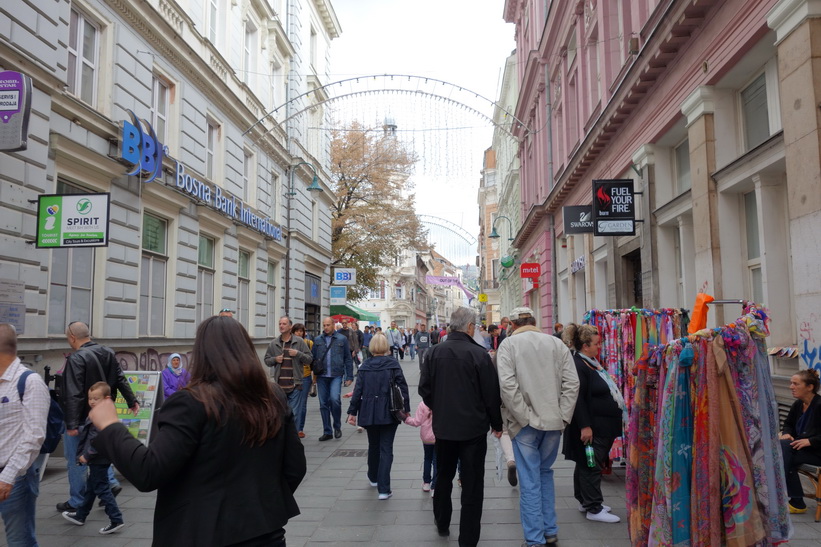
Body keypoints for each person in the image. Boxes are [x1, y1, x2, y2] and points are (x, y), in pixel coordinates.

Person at [88, 316, 307, 546]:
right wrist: (261, 503)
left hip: (201, 534)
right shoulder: (272, 396)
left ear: (201, 354)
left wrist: (111, 426)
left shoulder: (191, 402)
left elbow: (148, 471)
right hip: (265, 533)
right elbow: (295, 468)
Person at [419, 307, 503, 545]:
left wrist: (439, 406)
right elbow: (491, 394)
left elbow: (424, 389)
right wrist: (496, 423)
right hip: (473, 430)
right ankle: (468, 538)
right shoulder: (479, 355)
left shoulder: (434, 352)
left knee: (443, 475)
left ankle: (442, 522)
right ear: (469, 327)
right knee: (472, 483)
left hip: (444, 428)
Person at [496, 307, 580, 545]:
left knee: (530, 479)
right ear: (534, 321)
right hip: (553, 421)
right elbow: (572, 383)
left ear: (512, 324)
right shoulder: (556, 344)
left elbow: (507, 386)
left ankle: (534, 538)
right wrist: (563, 416)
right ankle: (549, 530)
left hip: (526, 424)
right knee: (544, 474)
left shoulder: (509, 345)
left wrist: (523, 417)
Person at [59, 321, 139, 514]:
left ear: (72, 337)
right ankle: (110, 483)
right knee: (99, 451)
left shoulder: (76, 358)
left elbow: (74, 393)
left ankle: (77, 500)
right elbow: (120, 378)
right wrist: (131, 401)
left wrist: (71, 423)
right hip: (103, 414)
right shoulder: (108, 352)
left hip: (82, 418)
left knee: (77, 458)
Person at [560, 323, 623, 525]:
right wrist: (585, 426)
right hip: (591, 429)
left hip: (600, 426)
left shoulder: (589, 362)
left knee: (585, 463)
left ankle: (585, 501)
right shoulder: (579, 365)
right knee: (590, 464)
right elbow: (577, 398)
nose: (600, 347)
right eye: (596, 343)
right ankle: (594, 507)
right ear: (585, 345)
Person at [0, 323, 50, 547]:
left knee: (20, 541)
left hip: (15, 477)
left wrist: (7, 476)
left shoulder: (29, 381)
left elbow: (34, 436)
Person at [345, 333, 410, 500]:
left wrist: (352, 412)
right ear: (386, 346)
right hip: (389, 409)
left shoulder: (365, 366)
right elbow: (403, 388)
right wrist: (406, 409)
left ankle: (373, 477)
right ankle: (384, 488)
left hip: (368, 409)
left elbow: (358, 391)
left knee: (373, 445)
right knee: (386, 448)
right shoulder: (393, 364)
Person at [62, 382, 125, 535]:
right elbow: (91, 432)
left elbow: (98, 440)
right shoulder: (98, 412)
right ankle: (81, 515)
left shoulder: (101, 416)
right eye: (90, 398)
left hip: (98, 458)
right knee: (91, 487)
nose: (92, 401)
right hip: (100, 458)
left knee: (102, 488)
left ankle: (116, 519)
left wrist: (86, 456)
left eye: (96, 398)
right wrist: (80, 429)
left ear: (106, 399)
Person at [780, 369, 821, 514]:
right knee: (783, 448)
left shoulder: (819, 405)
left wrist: (811, 441)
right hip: (800, 449)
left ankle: (790, 498)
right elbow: (788, 424)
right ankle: (795, 501)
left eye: (795, 384)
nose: (791, 386)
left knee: (783, 454)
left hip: (817, 452)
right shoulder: (798, 404)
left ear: (810, 387)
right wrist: (787, 434)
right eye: (791, 383)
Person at [264, 316, 313, 428]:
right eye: (280, 323)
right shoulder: (274, 343)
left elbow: (309, 359)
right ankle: (285, 439)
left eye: (284, 324)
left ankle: (293, 441)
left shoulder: (299, 342)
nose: (281, 326)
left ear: (290, 326)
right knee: (281, 415)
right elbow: (267, 360)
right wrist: (275, 359)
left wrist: (298, 354)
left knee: (294, 414)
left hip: (295, 385)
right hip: (280, 386)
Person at [312, 317, 354, 441]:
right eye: (324, 325)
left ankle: (337, 426)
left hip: (336, 375)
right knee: (323, 403)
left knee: (335, 400)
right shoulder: (317, 340)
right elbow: (313, 358)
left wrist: (349, 376)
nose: (325, 327)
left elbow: (347, 358)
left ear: (334, 325)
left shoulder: (342, 339)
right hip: (322, 376)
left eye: (328, 325)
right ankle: (327, 431)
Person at [405, 399, 437, 496]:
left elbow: (416, 422)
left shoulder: (422, 404)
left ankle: (426, 483)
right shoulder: (442, 401)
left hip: (426, 438)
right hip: (439, 436)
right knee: (437, 461)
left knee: (427, 459)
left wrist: (405, 418)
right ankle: (435, 486)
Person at [291, 323, 313, 439]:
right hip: (292, 376)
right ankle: (293, 428)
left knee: (302, 404)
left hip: (305, 376)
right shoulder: (290, 343)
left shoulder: (308, 343)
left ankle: (300, 428)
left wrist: (315, 379)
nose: (299, 333)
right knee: (293, 404)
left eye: (301, 331)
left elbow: (311, 360)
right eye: (297, 331)